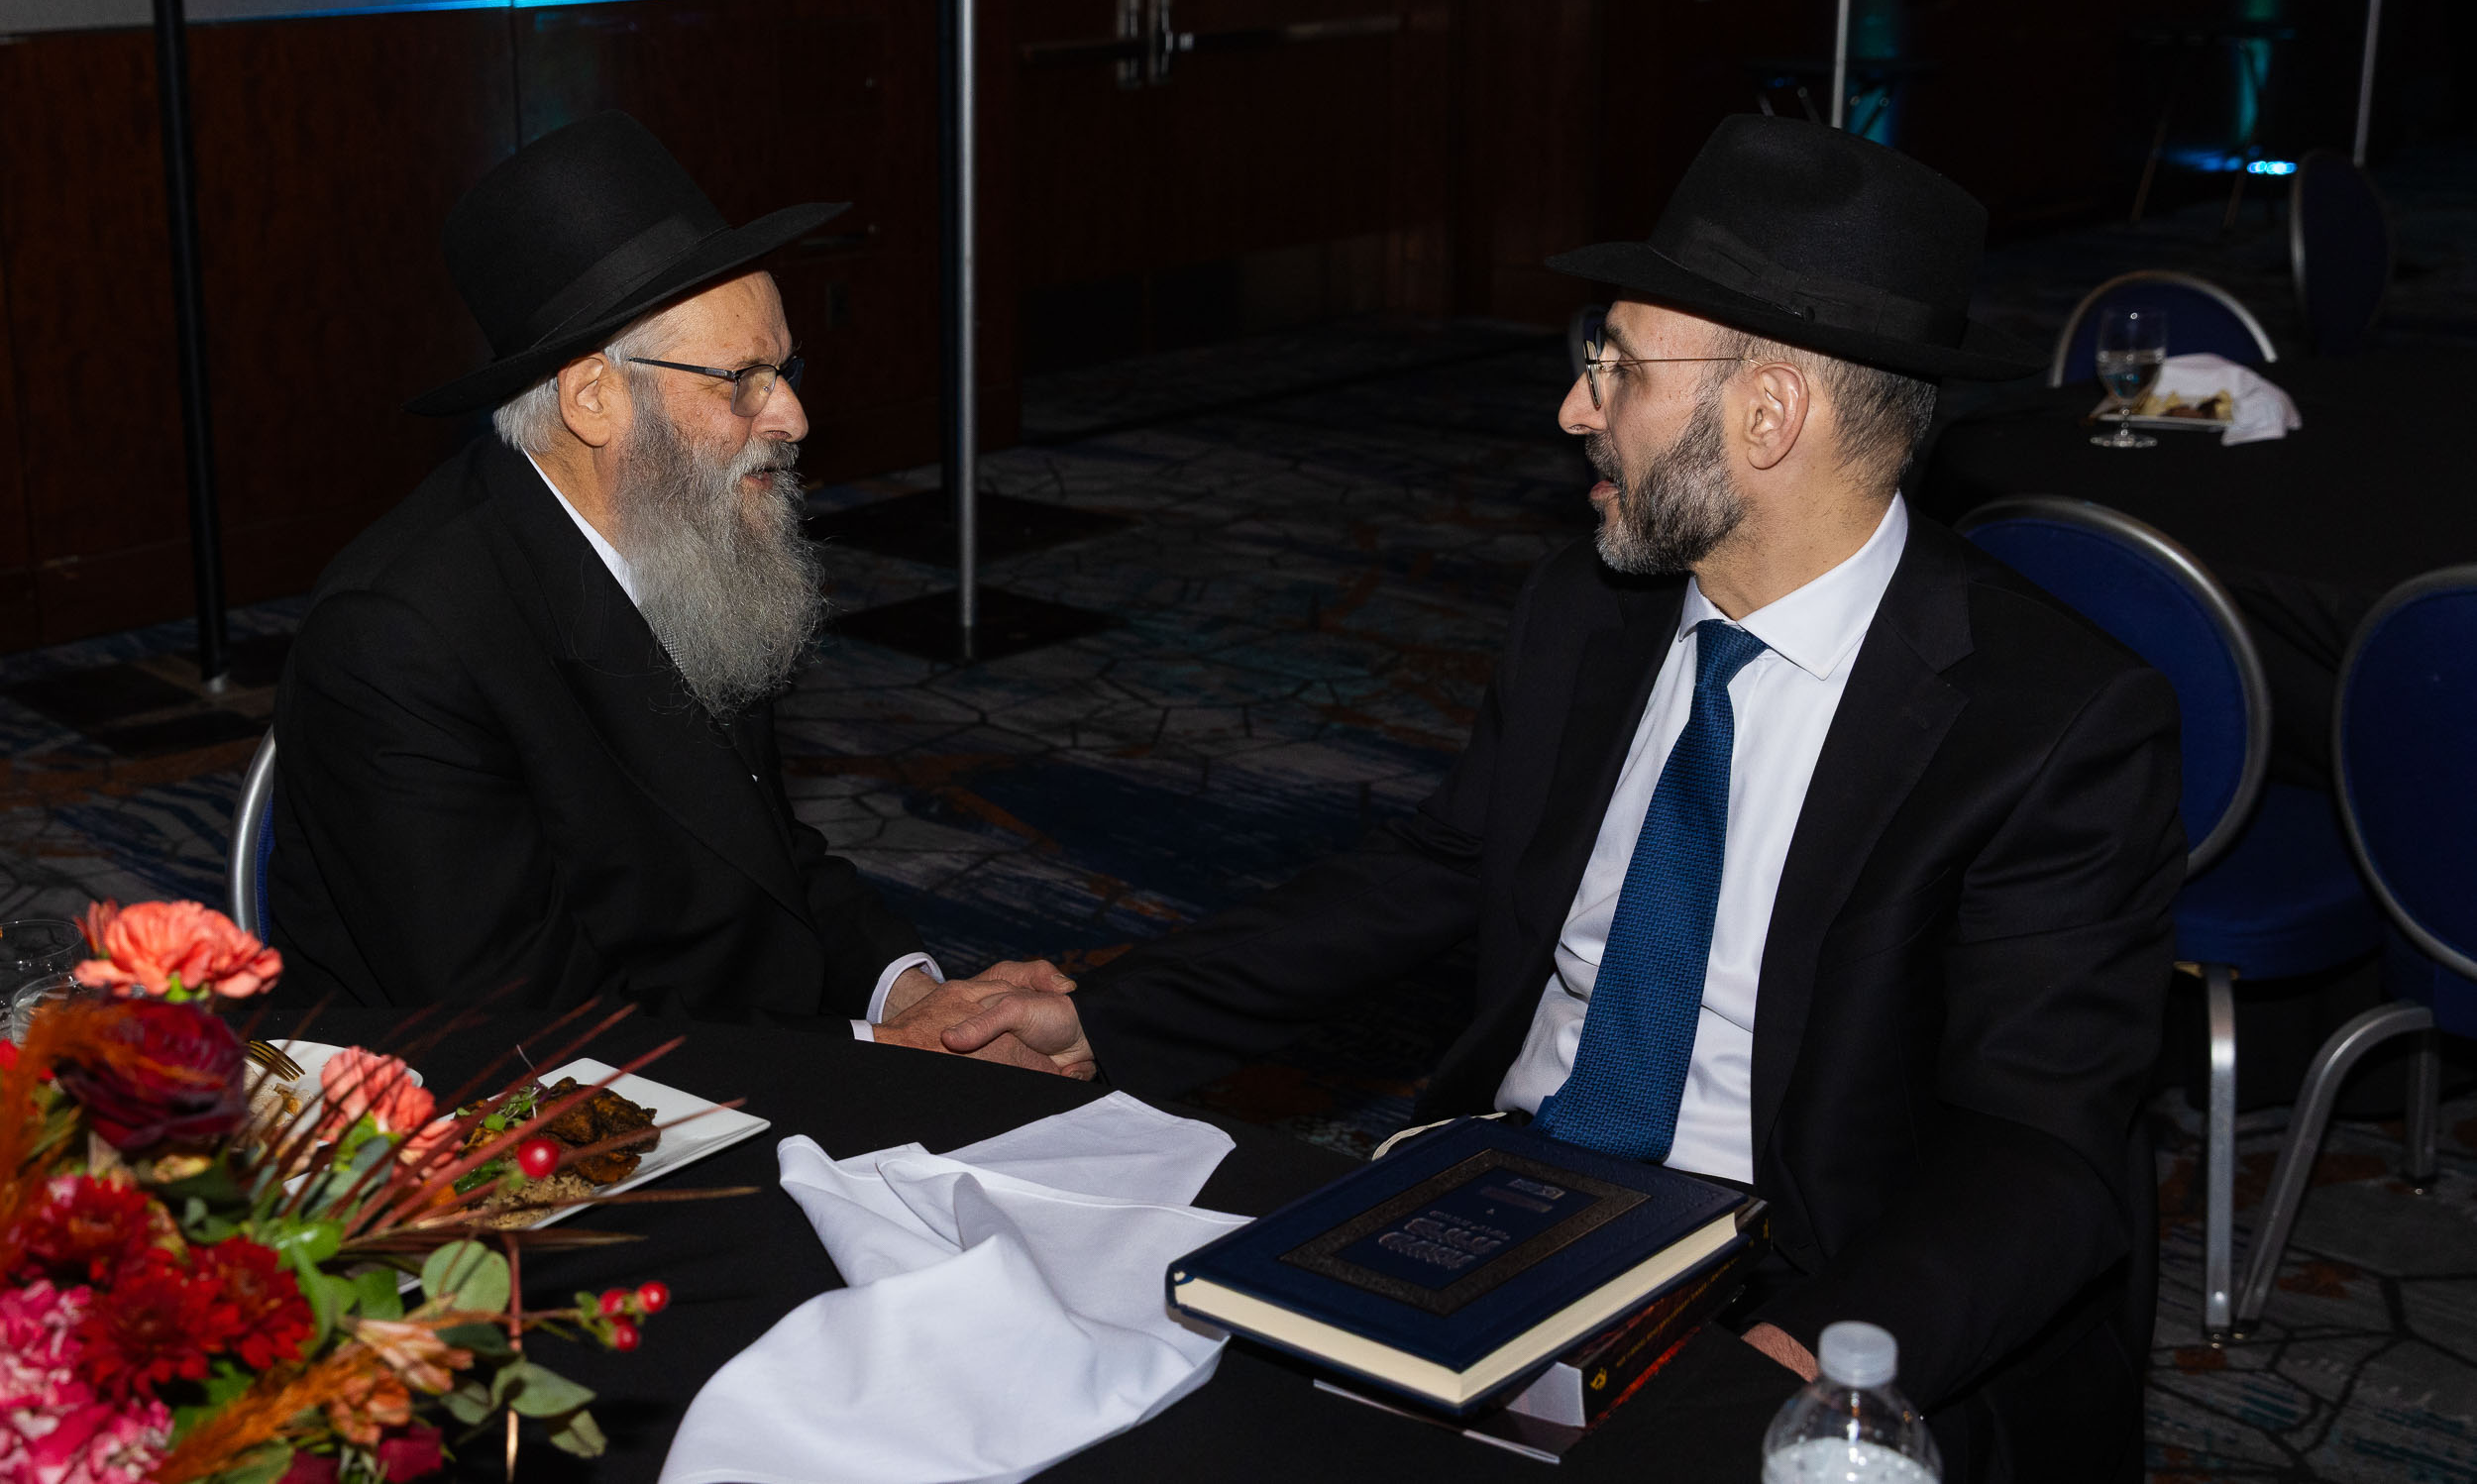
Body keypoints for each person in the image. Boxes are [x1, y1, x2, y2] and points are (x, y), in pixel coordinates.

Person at [922, 118, 2183, 1481]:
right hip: (1510, 1193)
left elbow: (2039, 1151)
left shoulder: (2046, 722)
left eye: (1618, 366)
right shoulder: (1589, 611)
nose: (1576, 410)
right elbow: (1439, 868)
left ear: (1768, 415)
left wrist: (1783, 1376)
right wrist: (1103, 1012)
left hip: (1805, 1268)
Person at [269, 111, 1075, 1058]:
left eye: (784, 368)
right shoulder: (398, 640)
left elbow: (763, 857)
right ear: (593, 398)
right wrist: (883, 1054)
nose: (792, 416)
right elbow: (517, 1025)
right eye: (742, 379)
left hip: (722, 1055)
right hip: (515, 1109)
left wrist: (919, 999)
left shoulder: (685, 543)